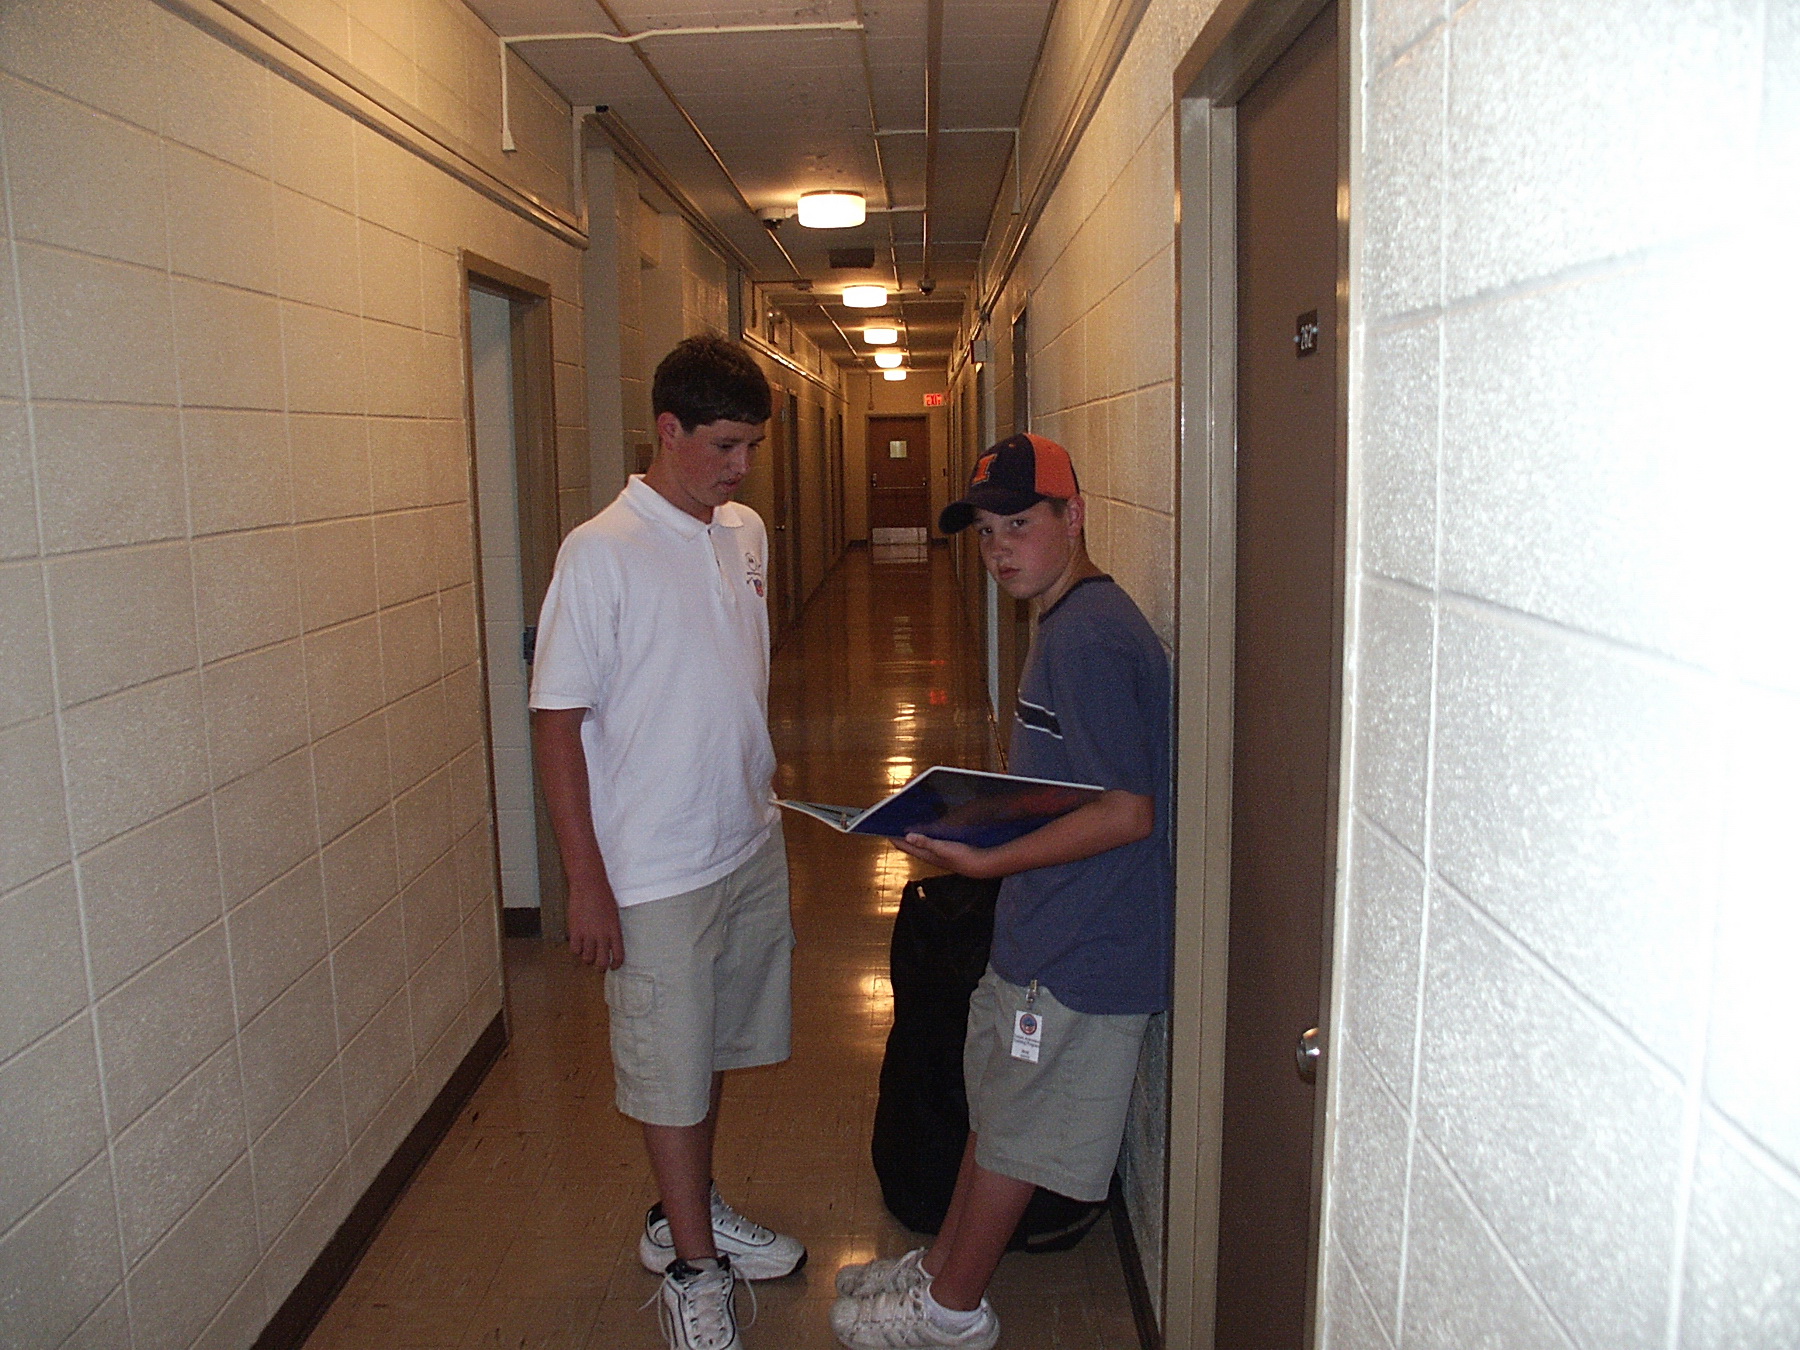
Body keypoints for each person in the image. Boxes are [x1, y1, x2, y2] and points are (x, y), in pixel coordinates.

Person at [831, 433, 1172, 1350]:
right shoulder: (1064, 623)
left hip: (1080, 945)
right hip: (1046, 929)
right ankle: (941, 1269)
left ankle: (951, 1312)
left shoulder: (1089, 638)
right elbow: (1078, 788)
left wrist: (986, 862)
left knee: (1017, 1132)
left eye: (1019, 524)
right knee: (998, 1109)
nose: (998, 550)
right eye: (985, 531)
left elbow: (1128, 811)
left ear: (1075, 516)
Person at [530, 336, 804, 1350]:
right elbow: (556, 722)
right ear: (668, 430)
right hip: (654, 870)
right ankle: (693, 1270)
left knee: (712, 1046)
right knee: (667, 1067)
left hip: (745, 841)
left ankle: (683, 1212)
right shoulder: (599, 550)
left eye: (752, 446)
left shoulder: (744, 531)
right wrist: (585, 881)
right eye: (724, 446)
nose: (741, 467)